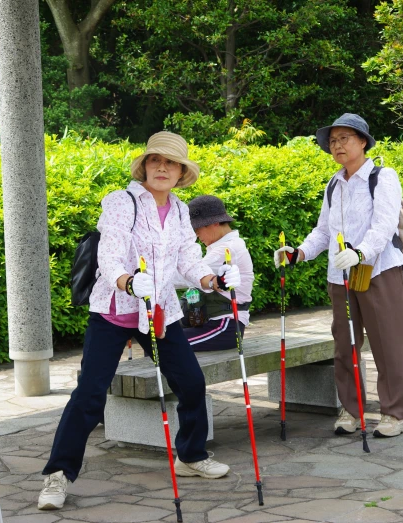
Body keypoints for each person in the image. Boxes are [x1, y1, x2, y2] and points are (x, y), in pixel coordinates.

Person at [38, 132, 239, 511]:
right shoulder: (122, 202)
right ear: (144, 166)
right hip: (115, 311)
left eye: (171, 163)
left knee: (192, 383)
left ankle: (191, 456)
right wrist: (128, 280)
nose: (162, 168)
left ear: (181, 172)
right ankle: (58, 474)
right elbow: (109, 256)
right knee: (90, 395)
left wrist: (213, 280)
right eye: (155, 161)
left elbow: (187, 258)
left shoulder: (180, 210)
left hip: (160, 311)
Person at [274, 113, 403, 438]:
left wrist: (361, 252)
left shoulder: (383, 177)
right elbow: (323, 231)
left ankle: (394, 413)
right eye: (332, 141)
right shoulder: (334, 184)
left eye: (344, 138)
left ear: (363, 141)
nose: (337, 145)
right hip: (340, 276)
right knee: (345, 345)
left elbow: (384, 225)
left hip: (377, 271)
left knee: (388, 345)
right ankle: (353, 410)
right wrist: (299, 252)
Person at [181, 195, 254, 351]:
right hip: (213, 324)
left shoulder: (227, 249)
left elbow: (186, 274)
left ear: (214, 223)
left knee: (164, 345)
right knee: (161, 340)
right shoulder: (223, 246)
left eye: (197, 228)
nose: (195, 234)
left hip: (224, 326)